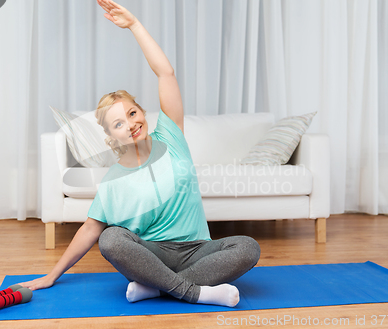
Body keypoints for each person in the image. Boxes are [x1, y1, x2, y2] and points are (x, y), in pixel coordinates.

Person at [20, 0, 260, 308]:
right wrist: (51, 275)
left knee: (247, 247)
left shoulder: (171, 136)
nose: (131, 124)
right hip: (150, 254)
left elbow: (166, 73)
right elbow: (90, 230)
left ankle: (158, 289)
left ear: (142, 111)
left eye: (133, 113)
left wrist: (134, 25)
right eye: (119, 123)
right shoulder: (113, 180)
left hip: (197, 249)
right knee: (111, 239)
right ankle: (196, 292)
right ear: (111, 135)